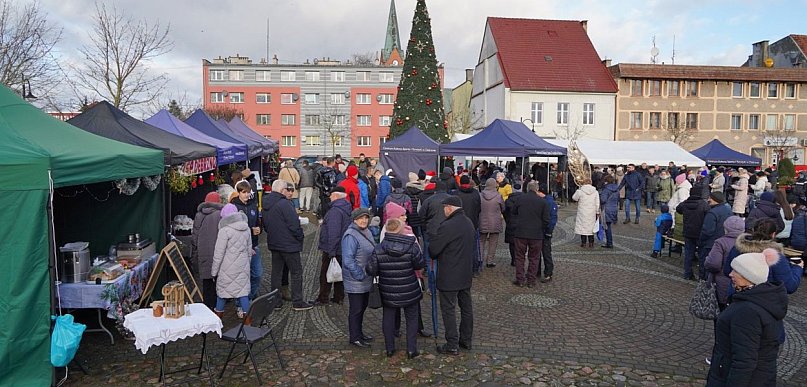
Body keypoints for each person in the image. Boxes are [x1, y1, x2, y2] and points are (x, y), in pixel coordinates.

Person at [706, 252, 787, 386]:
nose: (730, 274)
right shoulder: (762, 299)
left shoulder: (748, 311)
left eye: (735, 271)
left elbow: (744, 360)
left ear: (749, 276)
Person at [366, 218, 425, 359]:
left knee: (388, 318)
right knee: (411, 319)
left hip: (388, 289)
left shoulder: (379, 248)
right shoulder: (411, 246)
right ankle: (411, 349)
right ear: (401, 229)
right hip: (409, 288)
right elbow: (419, 264)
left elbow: (371, 270)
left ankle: (390, 348)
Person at [428, 196, 476, 355]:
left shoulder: (447, 226)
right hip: (465, 273)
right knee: (466, 308)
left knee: (448, 309)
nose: (443, 210)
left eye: (444, 208)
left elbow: (433, 250)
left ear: (449, 207)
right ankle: (466, 340)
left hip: (450, 274)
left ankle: (452, 343)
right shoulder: (468, 222)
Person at [263, 179, 312, 311]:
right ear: (281, 190)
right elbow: (294, 224)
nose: (288, 192)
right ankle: (298, 301)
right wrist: (300, 236)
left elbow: (266, 225)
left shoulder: (266, 202)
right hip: (289, 244)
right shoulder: (284, 204)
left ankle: (276, 301)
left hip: (274, 243)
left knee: (276, 273)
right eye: (287, 189)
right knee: (296, 272)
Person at [342, 208, 377, 348]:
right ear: (354, 220)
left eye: (366, 218)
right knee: (356, 309)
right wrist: (359, 275)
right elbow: (348, 260)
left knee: (362, 308)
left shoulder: (366, 231)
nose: (363, 221)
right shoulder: (350, 235)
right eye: (360, 218)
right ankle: (354, 337)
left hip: (365, 278)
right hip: (356, 280)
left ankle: (359, 333)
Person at [211, 204, 252, 324]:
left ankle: (217, 321)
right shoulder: (247, 228)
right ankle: (248, 321)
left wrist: (214, 272)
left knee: (222, 294)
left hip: (226, 269)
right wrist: (246, 265)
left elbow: (218, 254)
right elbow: (249, 250)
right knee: (243, 293)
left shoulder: (224, 231)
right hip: (242, 267)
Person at [316, 188, 351, 305]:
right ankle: (338, 296)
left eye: (331, 195)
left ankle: (323, 298)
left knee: (326, 273)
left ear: (336, 196)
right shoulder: (345, 207)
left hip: (332, 248)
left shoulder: (335, 211)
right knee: (339, 273)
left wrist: (331, 251)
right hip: (341, 247)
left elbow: (333, 232)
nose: (329, 197)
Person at [512, 181, 551, 287]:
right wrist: (540, 227)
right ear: (537, 189)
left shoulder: (520, 199)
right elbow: (547, 219)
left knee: (519, 257)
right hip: (536, 234)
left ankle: (520, 279)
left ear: (527, 188)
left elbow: (514, 211)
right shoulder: (543, 202)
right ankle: (531, 281)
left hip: (521, 232)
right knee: (534, 258)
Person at [704, 216, 746, 310]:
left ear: (726, 229)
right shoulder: (748, 243)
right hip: (742, 284)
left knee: (721, 313)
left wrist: (706, 260)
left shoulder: (721, 243)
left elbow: (713, 264)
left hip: (722, 283)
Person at [230, 181, 262, 300]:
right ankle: (241, 303)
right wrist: (249, 230)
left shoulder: (253, 206)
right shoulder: (234, 207)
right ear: (238, 193)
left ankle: (249, 298)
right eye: (244, 192)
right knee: (242, 277)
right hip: (240, 247)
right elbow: (233, 228)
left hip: (254, 245)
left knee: (257, 274)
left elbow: (258, 223)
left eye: (248, 192)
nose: (247, 195)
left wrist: (259, 229)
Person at [192, 191, 223, 310]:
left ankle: (206, 307)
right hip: (216, 252)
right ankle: (216, 307)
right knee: (217, 282)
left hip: (203, 251)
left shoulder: (199, 215)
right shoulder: (220, 214)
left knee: (206, 282)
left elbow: (195, 236)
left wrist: (196, 250)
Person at [676, 186, 709, 280]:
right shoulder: (703, 204)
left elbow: (678, 209)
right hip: (699, 232)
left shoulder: (685, 203)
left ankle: (687, 273)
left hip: (688, 231)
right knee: (702, 255)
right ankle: (701, 276)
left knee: (688, 254)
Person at [698, 192, 733, 271]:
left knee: (706, 264)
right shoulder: (728, 210)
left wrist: (701, 241)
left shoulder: (712, 213)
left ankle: (703, 279)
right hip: (723, 241)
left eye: (710, 198)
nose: (708, 200)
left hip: (710, 243)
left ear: (714, 199)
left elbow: (707, 231)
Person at [479, 178, 504, 268]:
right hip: (495, 222)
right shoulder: (498, 196)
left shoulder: (480, 195)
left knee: (481, 241)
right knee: (493, 243)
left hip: (482, 220)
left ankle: (480, 260)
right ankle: (490, 261)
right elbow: (503, 208)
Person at [536, 184, 557, 282]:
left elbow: (552, 219)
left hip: (544, 231)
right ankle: (537, 271)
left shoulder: (549, 203)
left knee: (546, 252)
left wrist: (549, 231)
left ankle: (548, 273)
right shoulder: (546, 201)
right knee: (538, 252)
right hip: (540, 230)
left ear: (541, 192)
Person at [572, 179, 599, 248]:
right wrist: (597, 211)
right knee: (591, 227)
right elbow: (597, 202)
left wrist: (578, 190)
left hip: (582, 211)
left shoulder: (580, 191)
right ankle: (591, 243)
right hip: (591, 211)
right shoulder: (595, 191)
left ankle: (583, 243)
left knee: (582, 226)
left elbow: (574, 198)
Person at [503, 182, 523, 267]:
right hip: (521, 224)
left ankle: (514, 259)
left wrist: (507, 220)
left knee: (512, 244)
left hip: (511, 223)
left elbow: (504, 212)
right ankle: (519, 259)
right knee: (521, 243)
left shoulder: (508, 200)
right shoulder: (524, 200)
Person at [599, 175, 620, 249]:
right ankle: (609, 242)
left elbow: (603, 200)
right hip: (614, 208)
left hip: (606, 209)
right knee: (608, 226)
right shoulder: (617, 189)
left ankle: (609, 243)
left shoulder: (606, 189)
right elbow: (618, 199)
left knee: (606, 227)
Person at [404, 172, 425, 238]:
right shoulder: (423, 189)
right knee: (424, 236)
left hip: (411, 215)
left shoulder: (406, 190)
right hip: (421, 214)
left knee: (414, 235)